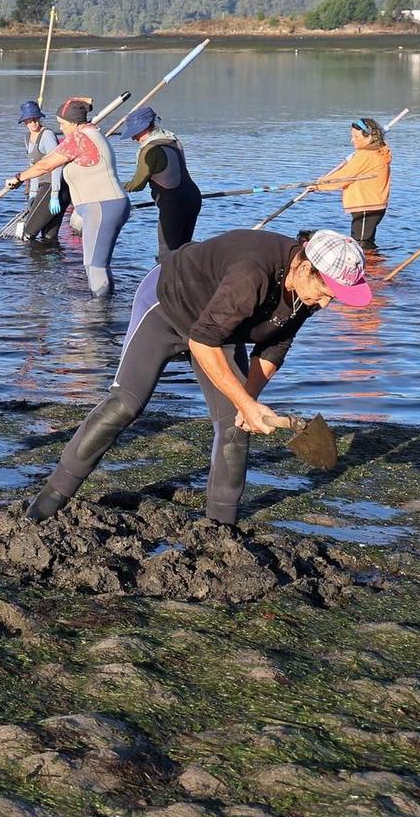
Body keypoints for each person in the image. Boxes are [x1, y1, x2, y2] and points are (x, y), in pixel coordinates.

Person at [25, 228, 371, 526]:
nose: (325, 304)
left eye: (333, 298)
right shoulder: (252, 274)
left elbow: (274, 347)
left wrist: (248, 403)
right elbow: (202, 342)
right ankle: (48, 501)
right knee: (126, 405)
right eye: (326, 293)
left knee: (235, 425)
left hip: (219, 328)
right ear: (305, 266)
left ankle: (220, 527)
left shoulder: (305, 295)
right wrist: (245, 402)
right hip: (167, 304)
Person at [6, 96, 131, 296]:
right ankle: (101, 309)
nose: (61, 128)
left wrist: (19, 178)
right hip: (104, 206)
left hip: (102, 206)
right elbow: (85, 101)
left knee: (96, 266)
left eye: (62, 124)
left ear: (74, 123)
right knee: (93, 264)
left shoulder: (79, 139)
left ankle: (99, 315)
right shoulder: (91, 132)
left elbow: (46, 164)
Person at [121, 108, 203, 257]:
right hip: (193, 197)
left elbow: (137, 185)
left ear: (144, 128)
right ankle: (184, 277)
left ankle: (165, 278)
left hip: (173, 204)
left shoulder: (150, 150)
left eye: (135, 133)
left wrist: (118, 186)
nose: (133, 138)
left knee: (167, 252)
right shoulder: (172, 138)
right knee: (183, 249)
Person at [312, 116, 393, 248]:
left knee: (361, 244)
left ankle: (369, 267)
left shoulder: (366, 156)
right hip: (373, 205)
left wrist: (318, 185)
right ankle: (373, 266)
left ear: (368, 138)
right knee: (365, 240)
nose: (352, 140)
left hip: (367, 205)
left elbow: (344, 177)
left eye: (356, 137)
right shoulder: (376, 151)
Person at [2, 99, 67, 244]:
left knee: (29, 233)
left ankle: (45, 264)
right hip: (42, 185)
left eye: (35, 118)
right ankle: (44, 266)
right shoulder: (27, 138)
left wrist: (55, 194)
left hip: (54, 185)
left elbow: (57, 165)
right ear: (24, 121)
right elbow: (34, 168)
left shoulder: (47, 135)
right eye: (29, 120)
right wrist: (32, 194)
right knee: (48, 237)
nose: (33, 123)